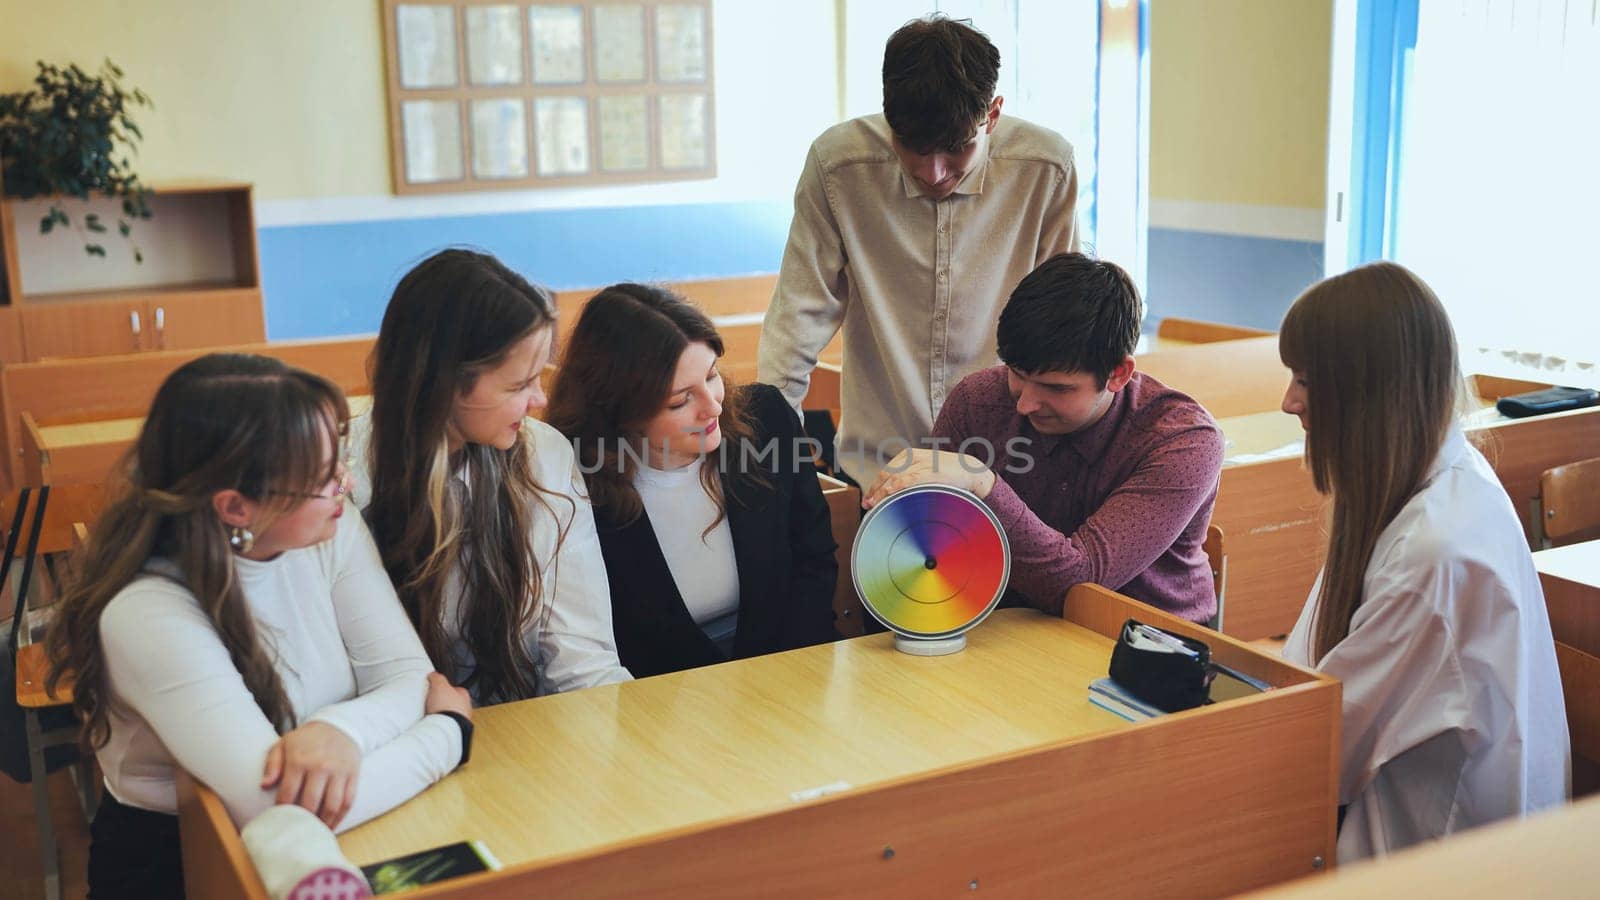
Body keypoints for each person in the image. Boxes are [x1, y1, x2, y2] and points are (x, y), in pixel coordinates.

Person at [45, 354, 471, 898]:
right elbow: (284, 815)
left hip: (353, 826)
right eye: (320, 476)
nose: (346, 481)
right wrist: (448, 735)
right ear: (237, 508)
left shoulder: (327, 527)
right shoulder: (147, 613)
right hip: (180, 866)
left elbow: (412, 677)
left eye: (337, 459)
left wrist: (339, 731)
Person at [1276, 261, 1568, 861]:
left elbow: (1319, 751)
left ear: (1364, 393)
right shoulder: (1437, 482)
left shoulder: (1433, 553)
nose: (1288, 403)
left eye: (1305, 381)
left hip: (1440, 861)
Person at [758, 14, 1081, 487]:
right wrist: (772, 456)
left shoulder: (1045, 168)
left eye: (956, 147)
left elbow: (1065, 328)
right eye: (912, 147)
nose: (933, 172)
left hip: (1010, 467)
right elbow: (796, 321)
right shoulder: (839, 167)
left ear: (992, 113)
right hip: (877, 466)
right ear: (889, 115)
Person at [864, 253, 1223, 622]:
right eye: (1017, 373)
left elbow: (1080, 586)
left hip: (1149, 646)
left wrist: (982, 482)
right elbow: (929, 546)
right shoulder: (978, 401)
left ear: (1118, 374)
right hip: (1007, 633)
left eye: (1056, 388)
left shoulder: (1184, 441)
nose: (1025, 403)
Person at [352, 249, 631, 703]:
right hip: (396, 734)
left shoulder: (545, 455)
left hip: (524, 731)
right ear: (443, 384)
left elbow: (581, 656)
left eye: (539, 378)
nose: (540, 400)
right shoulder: (346, 482)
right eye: (519, 385)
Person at [546, 283, 839, 677]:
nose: (713, 405)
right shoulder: (574, 480)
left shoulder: (767, 420)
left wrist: (784, 679)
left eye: (712, 375)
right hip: (658, 700)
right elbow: (603, 648)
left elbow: (814, 560)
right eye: (680, 400)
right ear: (620, 411)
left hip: (787, 672)